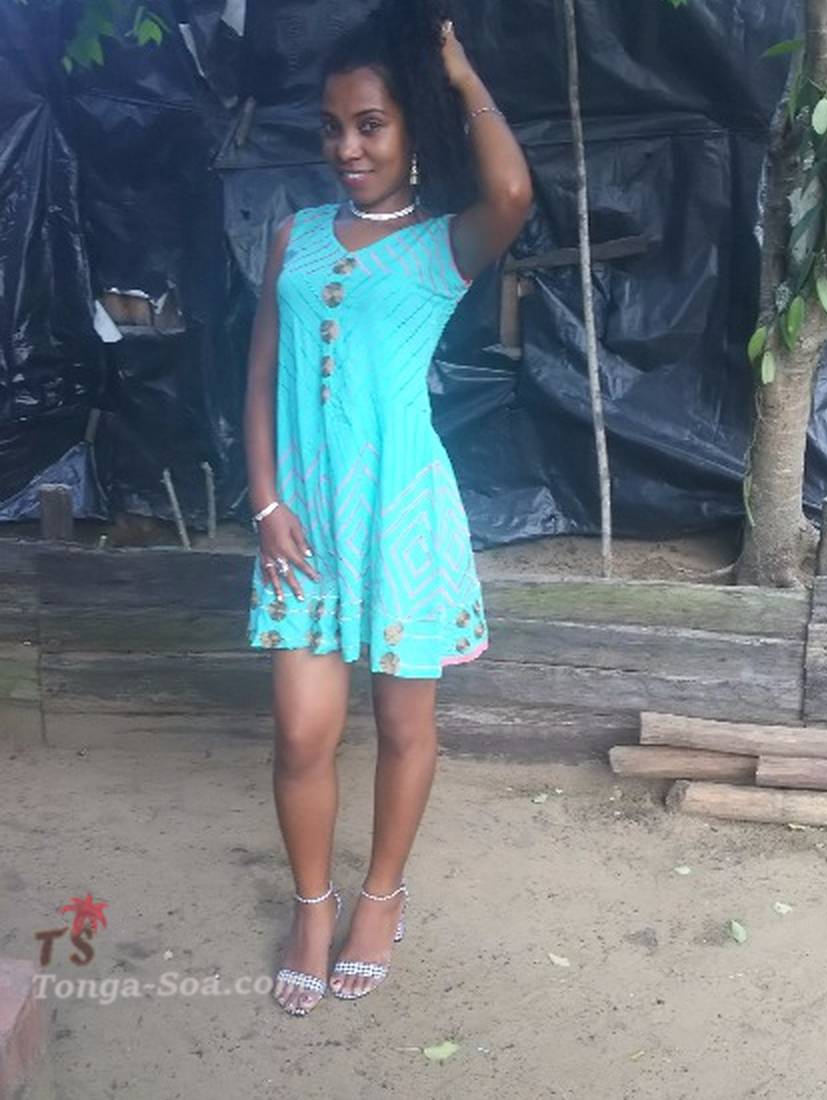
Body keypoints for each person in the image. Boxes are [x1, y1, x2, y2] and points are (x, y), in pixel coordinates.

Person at [242, 0, 532, 1017]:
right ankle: (312, 906)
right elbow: (261, 374)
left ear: (411, 127)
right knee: (300, 733)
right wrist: (264, 502)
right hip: (304, 524)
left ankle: (380, 896)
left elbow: (512, 188)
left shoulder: (444, 246)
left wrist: (455, 68)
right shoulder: (294, 238)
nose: (347, 147)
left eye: (371, 124)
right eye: (333, 127)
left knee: (404, 723)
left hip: (402, 518)